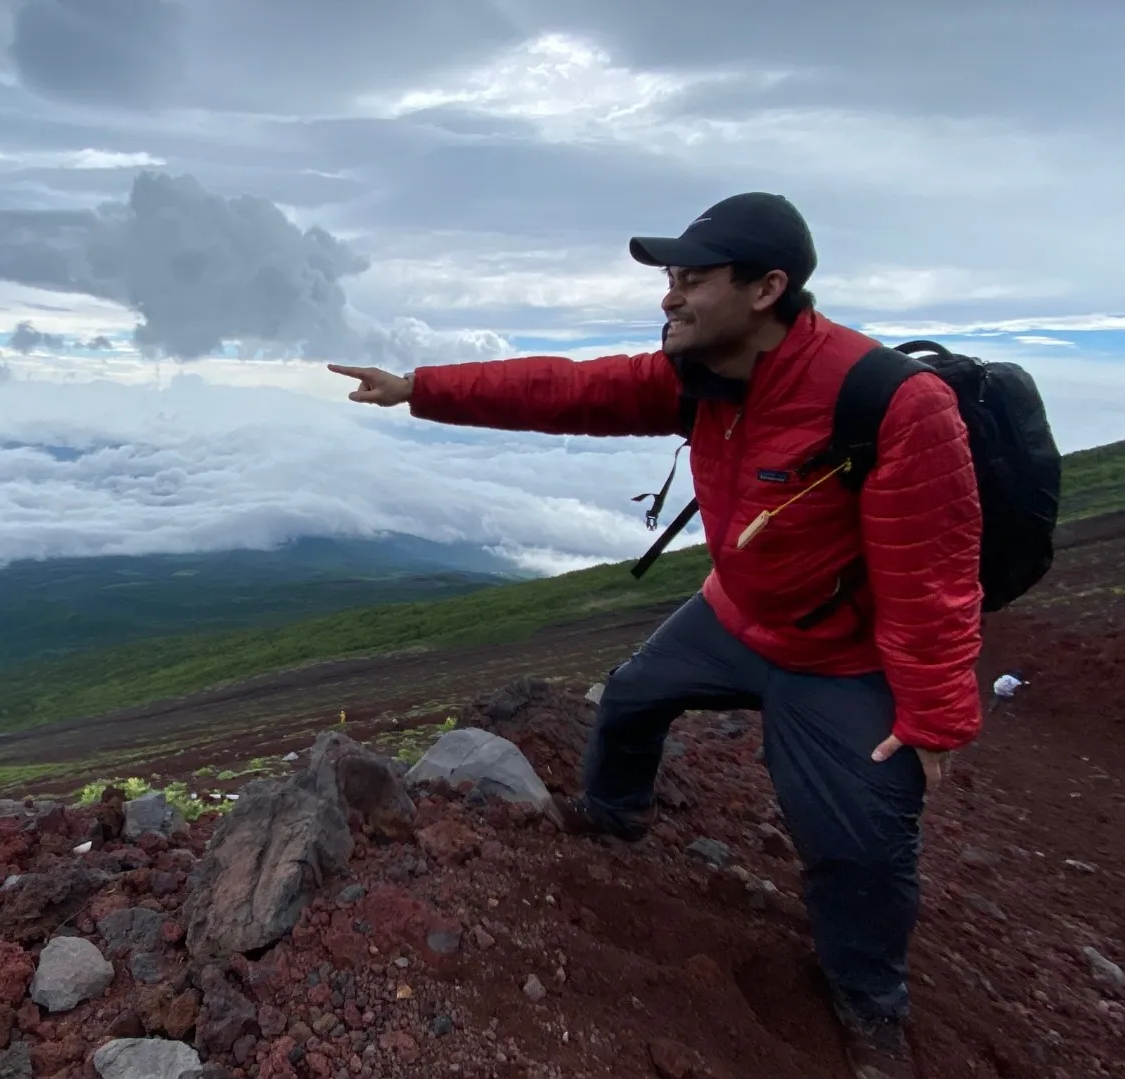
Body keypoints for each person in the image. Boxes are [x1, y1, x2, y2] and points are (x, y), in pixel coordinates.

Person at [328, 192, 984, 1079]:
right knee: (632, 697)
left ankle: (869, 1003)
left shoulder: (893, 404)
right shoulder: (700, 376)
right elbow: (565, 389)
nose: (669, 298)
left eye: (692, 280)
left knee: (859, 847)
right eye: (669, 280)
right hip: (733, 612)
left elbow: (933, 572)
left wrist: (934, 716)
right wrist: (419, 389)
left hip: (840, 659)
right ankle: (613, 817)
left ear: (767, 289)